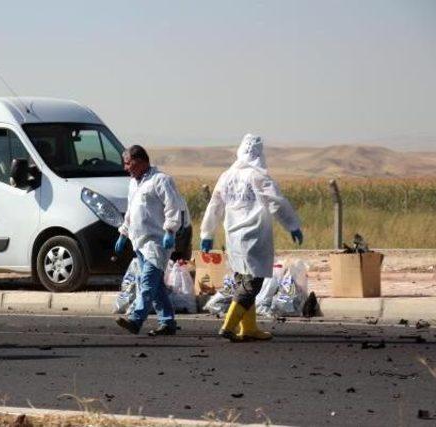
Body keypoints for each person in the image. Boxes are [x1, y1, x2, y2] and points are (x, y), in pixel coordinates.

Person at [200, 133, 303, 341]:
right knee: (252, 283)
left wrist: (207, 233)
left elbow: (215, 206)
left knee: (242, 281)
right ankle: (229, 326)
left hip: (234, 237)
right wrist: (292, 225)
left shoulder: (226, 176)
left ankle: (249, 328)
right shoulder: (258, 176)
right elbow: (277, 202)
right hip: (254, 236)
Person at [114, 145, 189, 336]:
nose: (126, 168)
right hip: (139, 241)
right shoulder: (134, 183)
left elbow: (173, 207)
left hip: (157, 242)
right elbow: (131, 211)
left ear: (141, 161)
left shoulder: (161, 180)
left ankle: (136, 319)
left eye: (128, 163)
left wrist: (170, 230)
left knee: (146, 282)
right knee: (156, 287)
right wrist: (123, 233)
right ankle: (167, 322)